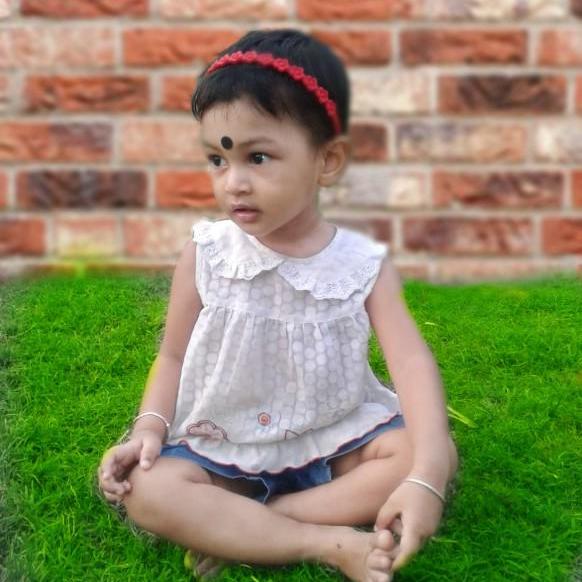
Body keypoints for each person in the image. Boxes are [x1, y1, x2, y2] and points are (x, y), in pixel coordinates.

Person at [97, 28, 458, 582]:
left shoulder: (360, 263)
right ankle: (326, 543)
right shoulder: (208, 254)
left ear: (327, 160)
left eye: (258, 157)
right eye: (218, 159)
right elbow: (171, 357)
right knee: (147, 489)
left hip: (337, 439)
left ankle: (254, 524)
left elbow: (410, 362)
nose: (233, 183)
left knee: (428, 451)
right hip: (227, 445)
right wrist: (149, 427)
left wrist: (427, 476)